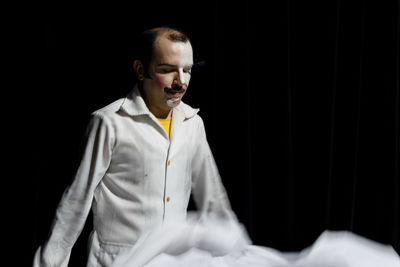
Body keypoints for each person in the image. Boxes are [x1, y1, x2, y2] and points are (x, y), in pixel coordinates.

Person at [33, 26, 236, 267]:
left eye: (187, 70)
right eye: (168, 70)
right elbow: (76, 201)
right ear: (141, 70)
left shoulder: (193, 123)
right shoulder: (109, 122)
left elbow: (211, 193)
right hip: (117, 262)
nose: (181, 81)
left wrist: (229, 250)